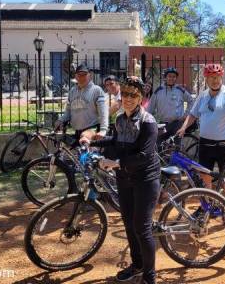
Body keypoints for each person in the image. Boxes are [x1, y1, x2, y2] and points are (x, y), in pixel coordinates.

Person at [83, 76, 160, 284]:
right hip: (125, 179)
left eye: (133, 95)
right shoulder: (119, 119)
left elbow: (143, 156)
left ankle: (149, 276)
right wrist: (93, 140)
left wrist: (115, 163)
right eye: (125, 94)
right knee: (128, 224)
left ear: (140, 98)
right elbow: (116, 142)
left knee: (142, 228)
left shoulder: (148, 122)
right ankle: (137, 265)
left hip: (145, 179)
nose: (127, 98)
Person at [176, 63, 225, 188]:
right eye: (211, 77)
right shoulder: (203, 95)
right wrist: (184, 127)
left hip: (224, 144)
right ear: (206, 79)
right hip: (205, 143)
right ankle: (208, 206)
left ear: (221, 77)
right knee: (205, 178)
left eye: (217, 77)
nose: (214, 80)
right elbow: (192, 114)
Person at [54, 64, 109, 143]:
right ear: (75, 76)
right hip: (77, 131)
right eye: (79, 75)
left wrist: (103, 130)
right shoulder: (72, 91)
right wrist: (60, 120)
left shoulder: (96, 90)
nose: (81, 77)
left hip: (92, 129)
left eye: (84, 74)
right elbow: (68, 112)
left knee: (84, 139)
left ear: (90, 76)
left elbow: (103, 112)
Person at [147, 67, 194, 142]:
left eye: (174, 76)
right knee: (159, 147)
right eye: (169, 76)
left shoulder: (180, 90)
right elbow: (150, 107)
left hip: (177, 124)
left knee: (176, 148)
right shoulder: (158, 91)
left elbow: (191, 101)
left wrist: (185, 115)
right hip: (162, 124)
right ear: (165, 77)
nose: (171, 78)